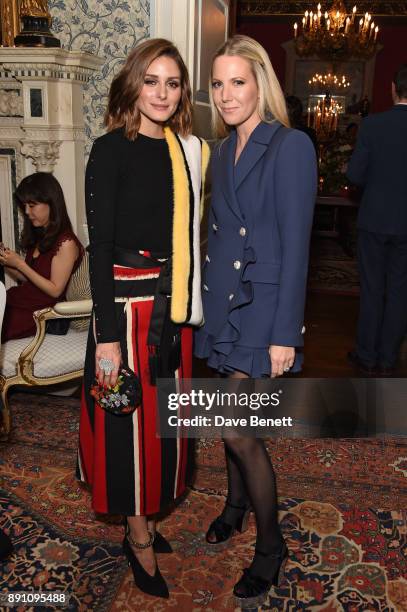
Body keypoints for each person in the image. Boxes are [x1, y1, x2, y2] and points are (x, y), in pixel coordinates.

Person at [77, 39, 209, 599]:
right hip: (125, 315)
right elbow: (99, 250)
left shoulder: (186, 152)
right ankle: (138, 538)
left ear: (181, 93)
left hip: (172, 310)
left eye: (172, 83)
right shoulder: (109, 151)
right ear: (133, 85)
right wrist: (107, 339)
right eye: (151, 80)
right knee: (126, 426)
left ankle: (149, 516)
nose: (161, 92)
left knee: (163, 427)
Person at [194, 35, 317, 608]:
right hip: (225, 310)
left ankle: (271, 548)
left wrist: (284, 334)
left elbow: (297, 247)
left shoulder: (290, 146)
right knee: (226, 419)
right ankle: (234, 508)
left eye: (237, 81)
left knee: (238, 430)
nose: (225, 94)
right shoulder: (221, 152)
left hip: (265, 311)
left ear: (260, 82)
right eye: (217, 84)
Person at [347, 64, 407, 375]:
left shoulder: (373, 125)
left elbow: (355, 174)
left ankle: (366, 354)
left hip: (374, 219)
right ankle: (388, 356)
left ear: (393, 89)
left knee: (372, 289)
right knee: (399, 290)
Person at [0, 172, 83, 342]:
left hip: (39, 312)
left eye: (32, 205)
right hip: (20, 300)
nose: (27, 212)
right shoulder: (41, 235)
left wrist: (20, 264)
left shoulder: (66, 242)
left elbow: (54, 290)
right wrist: (7, 262)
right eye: (24, 206)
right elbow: (28, 280)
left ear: (51, 203)